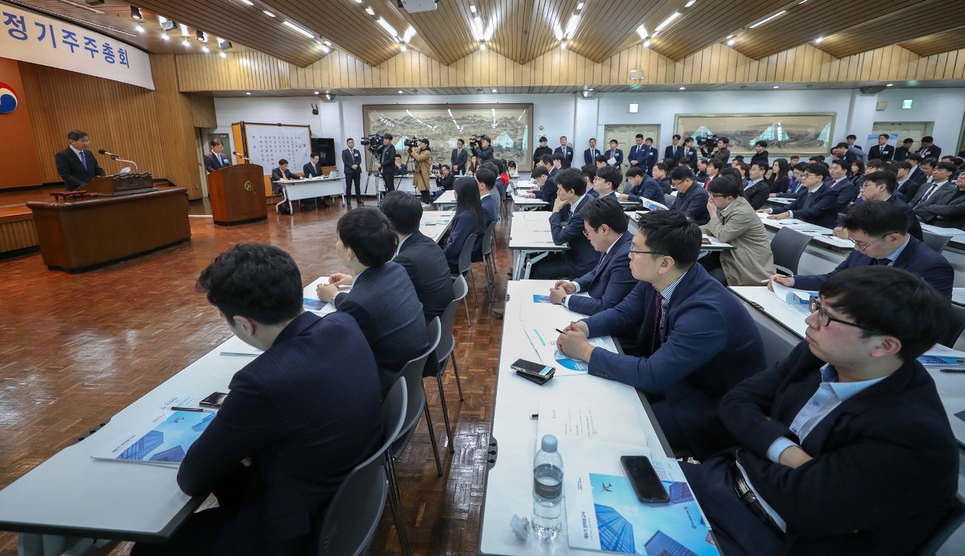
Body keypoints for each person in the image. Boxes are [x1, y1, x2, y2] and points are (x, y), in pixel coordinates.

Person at [130, 243, 384, 556]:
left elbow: (191, 478)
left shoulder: (261, 382)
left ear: (246, 324)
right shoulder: (343, 324)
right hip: (349, 504)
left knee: (147, 549)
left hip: (294, 532)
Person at [685, 266, 958, 556]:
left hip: (766, 537)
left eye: (826, 316)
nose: (810, 319)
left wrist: (756, 439)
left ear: (884, 345)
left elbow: (804, 504)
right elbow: (736, 401)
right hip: (723, 481)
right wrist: (790, 455)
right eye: (818, 306)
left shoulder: (912, 432)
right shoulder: (815, 355)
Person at [556, 210, 766, 459]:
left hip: (706, 407)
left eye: (635, 250)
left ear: (665, 262)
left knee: (609, 430)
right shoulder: (660, 277)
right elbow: (624, 313)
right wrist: (584, 327)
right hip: (674, 381)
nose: (629, 255)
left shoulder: (706, 312)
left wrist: (585, 351)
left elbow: (652, 374)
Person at [316, 208, 428, 397]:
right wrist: (350, 282)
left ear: (350, 253)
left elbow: (334, 356)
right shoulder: (396, 270)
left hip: (383, 389)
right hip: (409, 380)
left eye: (339, 240)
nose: (336, 244)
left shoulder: (358, 304)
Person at [771, 200, 953, 298]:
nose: (857, 248)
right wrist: (793, 281)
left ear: (893, 238)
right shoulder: (863, 249)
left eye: (862, 243)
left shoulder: (932, 267)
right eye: (854, 242)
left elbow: (928, 320)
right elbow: (835, 278)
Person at [549, 197, 635, 317]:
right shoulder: (614, 241)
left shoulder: (626, 257)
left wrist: (564, 299)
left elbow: (606, 306)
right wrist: (574, 286)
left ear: (604, 229)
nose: (587, 237)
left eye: (587, 232)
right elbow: (597, 272)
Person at [378, 191, 454, 323]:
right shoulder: (427, 242)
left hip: (423, 324)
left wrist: (335, 296)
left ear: (387, 223)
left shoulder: (406, 259)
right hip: (438, 320)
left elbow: (379, 298)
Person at [700, 175, 775, 286]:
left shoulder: (742, 212)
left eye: (714, 196)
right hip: (729, 257)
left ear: (729, 198)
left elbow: (722, 235)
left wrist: (712, 214)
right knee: (692, 267)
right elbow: (710, 228)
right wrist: (685, 231)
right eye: (710, 194)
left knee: (703, 283)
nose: (710, 199)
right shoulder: (728, 206)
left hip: (746, 265)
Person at [531, 168, 598, 280]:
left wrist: (556, 210)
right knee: (535, 260)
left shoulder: (583, 212)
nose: (557, 193)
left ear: (571, 192)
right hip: (572, 253)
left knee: (540, 270)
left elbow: (558, 239)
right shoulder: (585, 199)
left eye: (560, 190)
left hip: (581, 262)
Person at [837, 170, 923, 240]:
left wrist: (852, 234)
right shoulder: (862, 202)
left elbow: (888, 238)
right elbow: (848, 220)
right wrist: (841, 228)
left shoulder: (901, 209)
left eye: (866, 186)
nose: (861, 190)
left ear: (881, 187)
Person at [762, 163, 839, 229]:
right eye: (802, 175)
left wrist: (788, 214)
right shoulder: (805, 191)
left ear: (819, 178)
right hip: (802, 225)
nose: (803, 178)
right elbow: (789, 207)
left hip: (820, 228)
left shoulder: (830, 193)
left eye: (806, 176)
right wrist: (770, 210)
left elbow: (814, 211)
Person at [442, 177, 487, 273]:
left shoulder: (466, 217)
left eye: (456, 190)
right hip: (461, 258)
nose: (454, 193)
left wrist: (439, 252)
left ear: (462, 194)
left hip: (453, 262)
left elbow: (453, 248)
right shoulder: (476, 210)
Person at [914, 163, 965, 228]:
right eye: (962, 174)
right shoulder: (945, 192)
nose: (962, 177)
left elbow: (951, 210)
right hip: (928, 225)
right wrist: (936, 216)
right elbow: (919, 208)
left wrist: (931, 207)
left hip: (951, 230)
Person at [410, 138, 433, 204]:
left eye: (422, 143)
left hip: (423, 172)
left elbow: (419, 158)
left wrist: (413, 151)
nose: (420, 144)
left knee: (424, 187)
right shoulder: (420, 150)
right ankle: (424, 200)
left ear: (426, 144)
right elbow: (413, 155)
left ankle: (427, 200)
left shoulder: (427, 152)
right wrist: (410, 149)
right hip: (418, 172)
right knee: (421, 187)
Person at [341, 138, 363, 206]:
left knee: (357, 185)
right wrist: (351, 166)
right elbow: (345, 161)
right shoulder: (344, 152)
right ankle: (348, 199)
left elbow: (359, 159)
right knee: (348, 186)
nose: (351, 144)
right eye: (350, 142)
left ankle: (358, 198)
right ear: (347, 144)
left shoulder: (357, 151)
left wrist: (356, 165)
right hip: (348, 171)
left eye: (352, 142)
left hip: (357, 171)